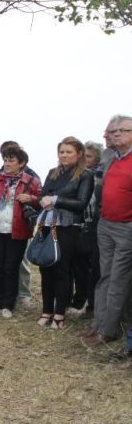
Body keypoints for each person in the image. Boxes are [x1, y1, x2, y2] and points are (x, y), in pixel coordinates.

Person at [83, 115, 132, 346]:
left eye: (123, 130)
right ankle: (98, 324)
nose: (116, 134)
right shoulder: (111, 157)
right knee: (105, 276)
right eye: (114, 131)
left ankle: (109, 331)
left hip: (126, 228)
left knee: (118, 279)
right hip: (105, 224)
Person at [36, 136, 94, 330]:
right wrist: (43, 199)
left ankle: (60, 313)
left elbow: (81, 204)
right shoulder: (53, 172)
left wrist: (55, 200)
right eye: (62, 151)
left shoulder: (85, 175)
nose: (65, 155)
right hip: (48, 224)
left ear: (78, 154)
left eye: (69, 152)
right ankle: (46, 310)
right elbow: (42, 194)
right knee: (46, 267)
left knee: (62, 269)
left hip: (69, 227)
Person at [0, 146, 40, 318]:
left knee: (11, 267)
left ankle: (8, 305)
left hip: (17, 230)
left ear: (22, 163)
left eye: (11, 160)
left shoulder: (30, 181)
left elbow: (40, 203)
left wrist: (32, 198)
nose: (7, 163)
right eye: (5, 160)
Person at [68, 140, 103, 316]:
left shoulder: (99, 177)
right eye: (84, 155)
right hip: (78, 226)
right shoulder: (79, 174)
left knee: (91, 267)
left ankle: (91, 304)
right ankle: (79, 299)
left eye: (89, 156)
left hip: (95, 227)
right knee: (78, 266)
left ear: (97, 158)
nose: (85, 159)